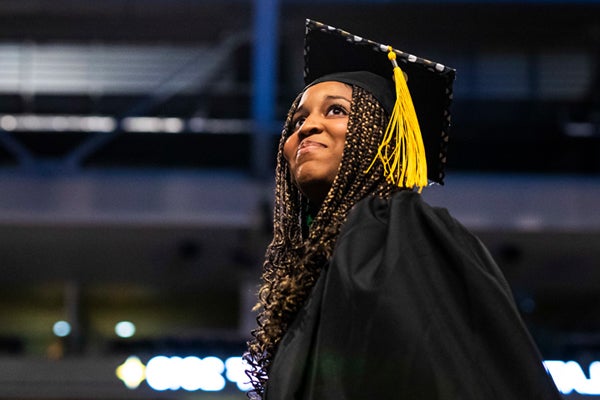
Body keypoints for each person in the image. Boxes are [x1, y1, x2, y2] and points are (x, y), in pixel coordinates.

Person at [244, 19, 561, 400]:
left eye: (335, 111)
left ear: (378, 135)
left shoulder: (395, 227)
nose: (307, 127)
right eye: (297, 119)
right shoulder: (315, 273)